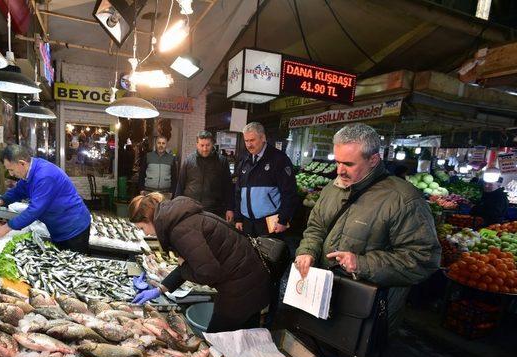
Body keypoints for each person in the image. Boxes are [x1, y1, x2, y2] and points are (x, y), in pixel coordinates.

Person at [294, 123, 441, 334]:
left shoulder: (403, 199)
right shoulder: (332, 189)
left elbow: (423, 258)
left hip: (368, 312)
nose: (339, 170)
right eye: (337, 162)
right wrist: (307, 251)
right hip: (324, 298)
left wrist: (361, 263)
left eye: (349, 164)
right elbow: (316, 227)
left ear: (373, 159)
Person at [128, 193, 272, 332]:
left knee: (218, 340)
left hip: (242, 287)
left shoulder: (180, 230)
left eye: (142, 228)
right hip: (252, 279)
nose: (145, 234)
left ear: (148, 218)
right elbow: (192, 263)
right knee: (246, 338)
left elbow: (208, 273)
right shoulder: (179, 219)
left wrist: (184, 266)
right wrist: (160, 289)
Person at [0, 145, 91, 254]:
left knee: (74, 266)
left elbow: (35, 210)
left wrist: (5, 228)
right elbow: (18, 191)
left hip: (74, 228)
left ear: (22, 163)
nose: (11, 174)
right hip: (58, 228)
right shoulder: (30, 171)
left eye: (11, 170)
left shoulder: (44, 176)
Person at [234, 122, 298, 237]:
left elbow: (289, 193)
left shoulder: (279, 159)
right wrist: (238, 218)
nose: (249, 145)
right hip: (247, 222)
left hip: (270, 222)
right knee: (248, 254)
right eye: (246, 141)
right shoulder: (244, 161)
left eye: (252, 140)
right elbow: (238, 192)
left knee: (269, 254)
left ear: (263, 138)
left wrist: (283, 220)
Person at [175, 131, 234, 221]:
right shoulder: (188, 160)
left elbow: (228, 187)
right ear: (197, 144)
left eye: (208, 145)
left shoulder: (222, 161)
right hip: (190, 209)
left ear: (212, 144)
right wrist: (176, 205)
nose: (205, 149)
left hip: (214, 210)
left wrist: (229, 208)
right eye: (202, 145)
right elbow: (180, 185)